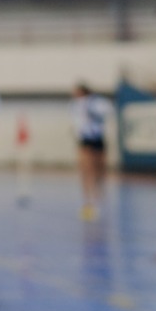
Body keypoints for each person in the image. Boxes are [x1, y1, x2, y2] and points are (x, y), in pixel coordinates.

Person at [71, 83, 113, 220]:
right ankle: (88, 201)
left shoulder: (97, 102)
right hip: (85, 140)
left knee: (98, 170)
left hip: (97, 138)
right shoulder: (77, 105)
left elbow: (108, 111)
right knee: (86, 169)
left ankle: (98, 198)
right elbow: (77, 123)